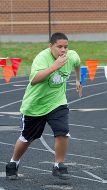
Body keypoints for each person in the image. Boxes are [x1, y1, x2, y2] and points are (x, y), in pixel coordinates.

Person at [5, 32, 82, 180]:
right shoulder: (42, 58)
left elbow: (77, 63)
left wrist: (78, 80)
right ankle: (13, 162)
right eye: (59, 47)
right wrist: (54, 67)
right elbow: (34, 80)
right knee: (28, 137)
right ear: (51, 46)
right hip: (35, 105)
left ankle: (58, 164)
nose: (63, 50)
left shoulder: (71, 56)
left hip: (57, 102)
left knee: (63, 131)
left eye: (66, 47)